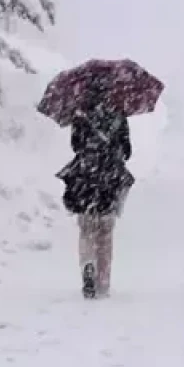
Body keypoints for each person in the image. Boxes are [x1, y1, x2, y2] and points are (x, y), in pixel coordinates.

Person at [56, 89, 134, 299]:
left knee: (86, 230)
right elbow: (127, 150)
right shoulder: (118, 115)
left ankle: (87, 266)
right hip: (109, 181)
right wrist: (113, 149)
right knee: (105, 233)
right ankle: (103, 280)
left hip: (85, 182)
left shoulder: (80, 114)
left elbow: (75, 146)